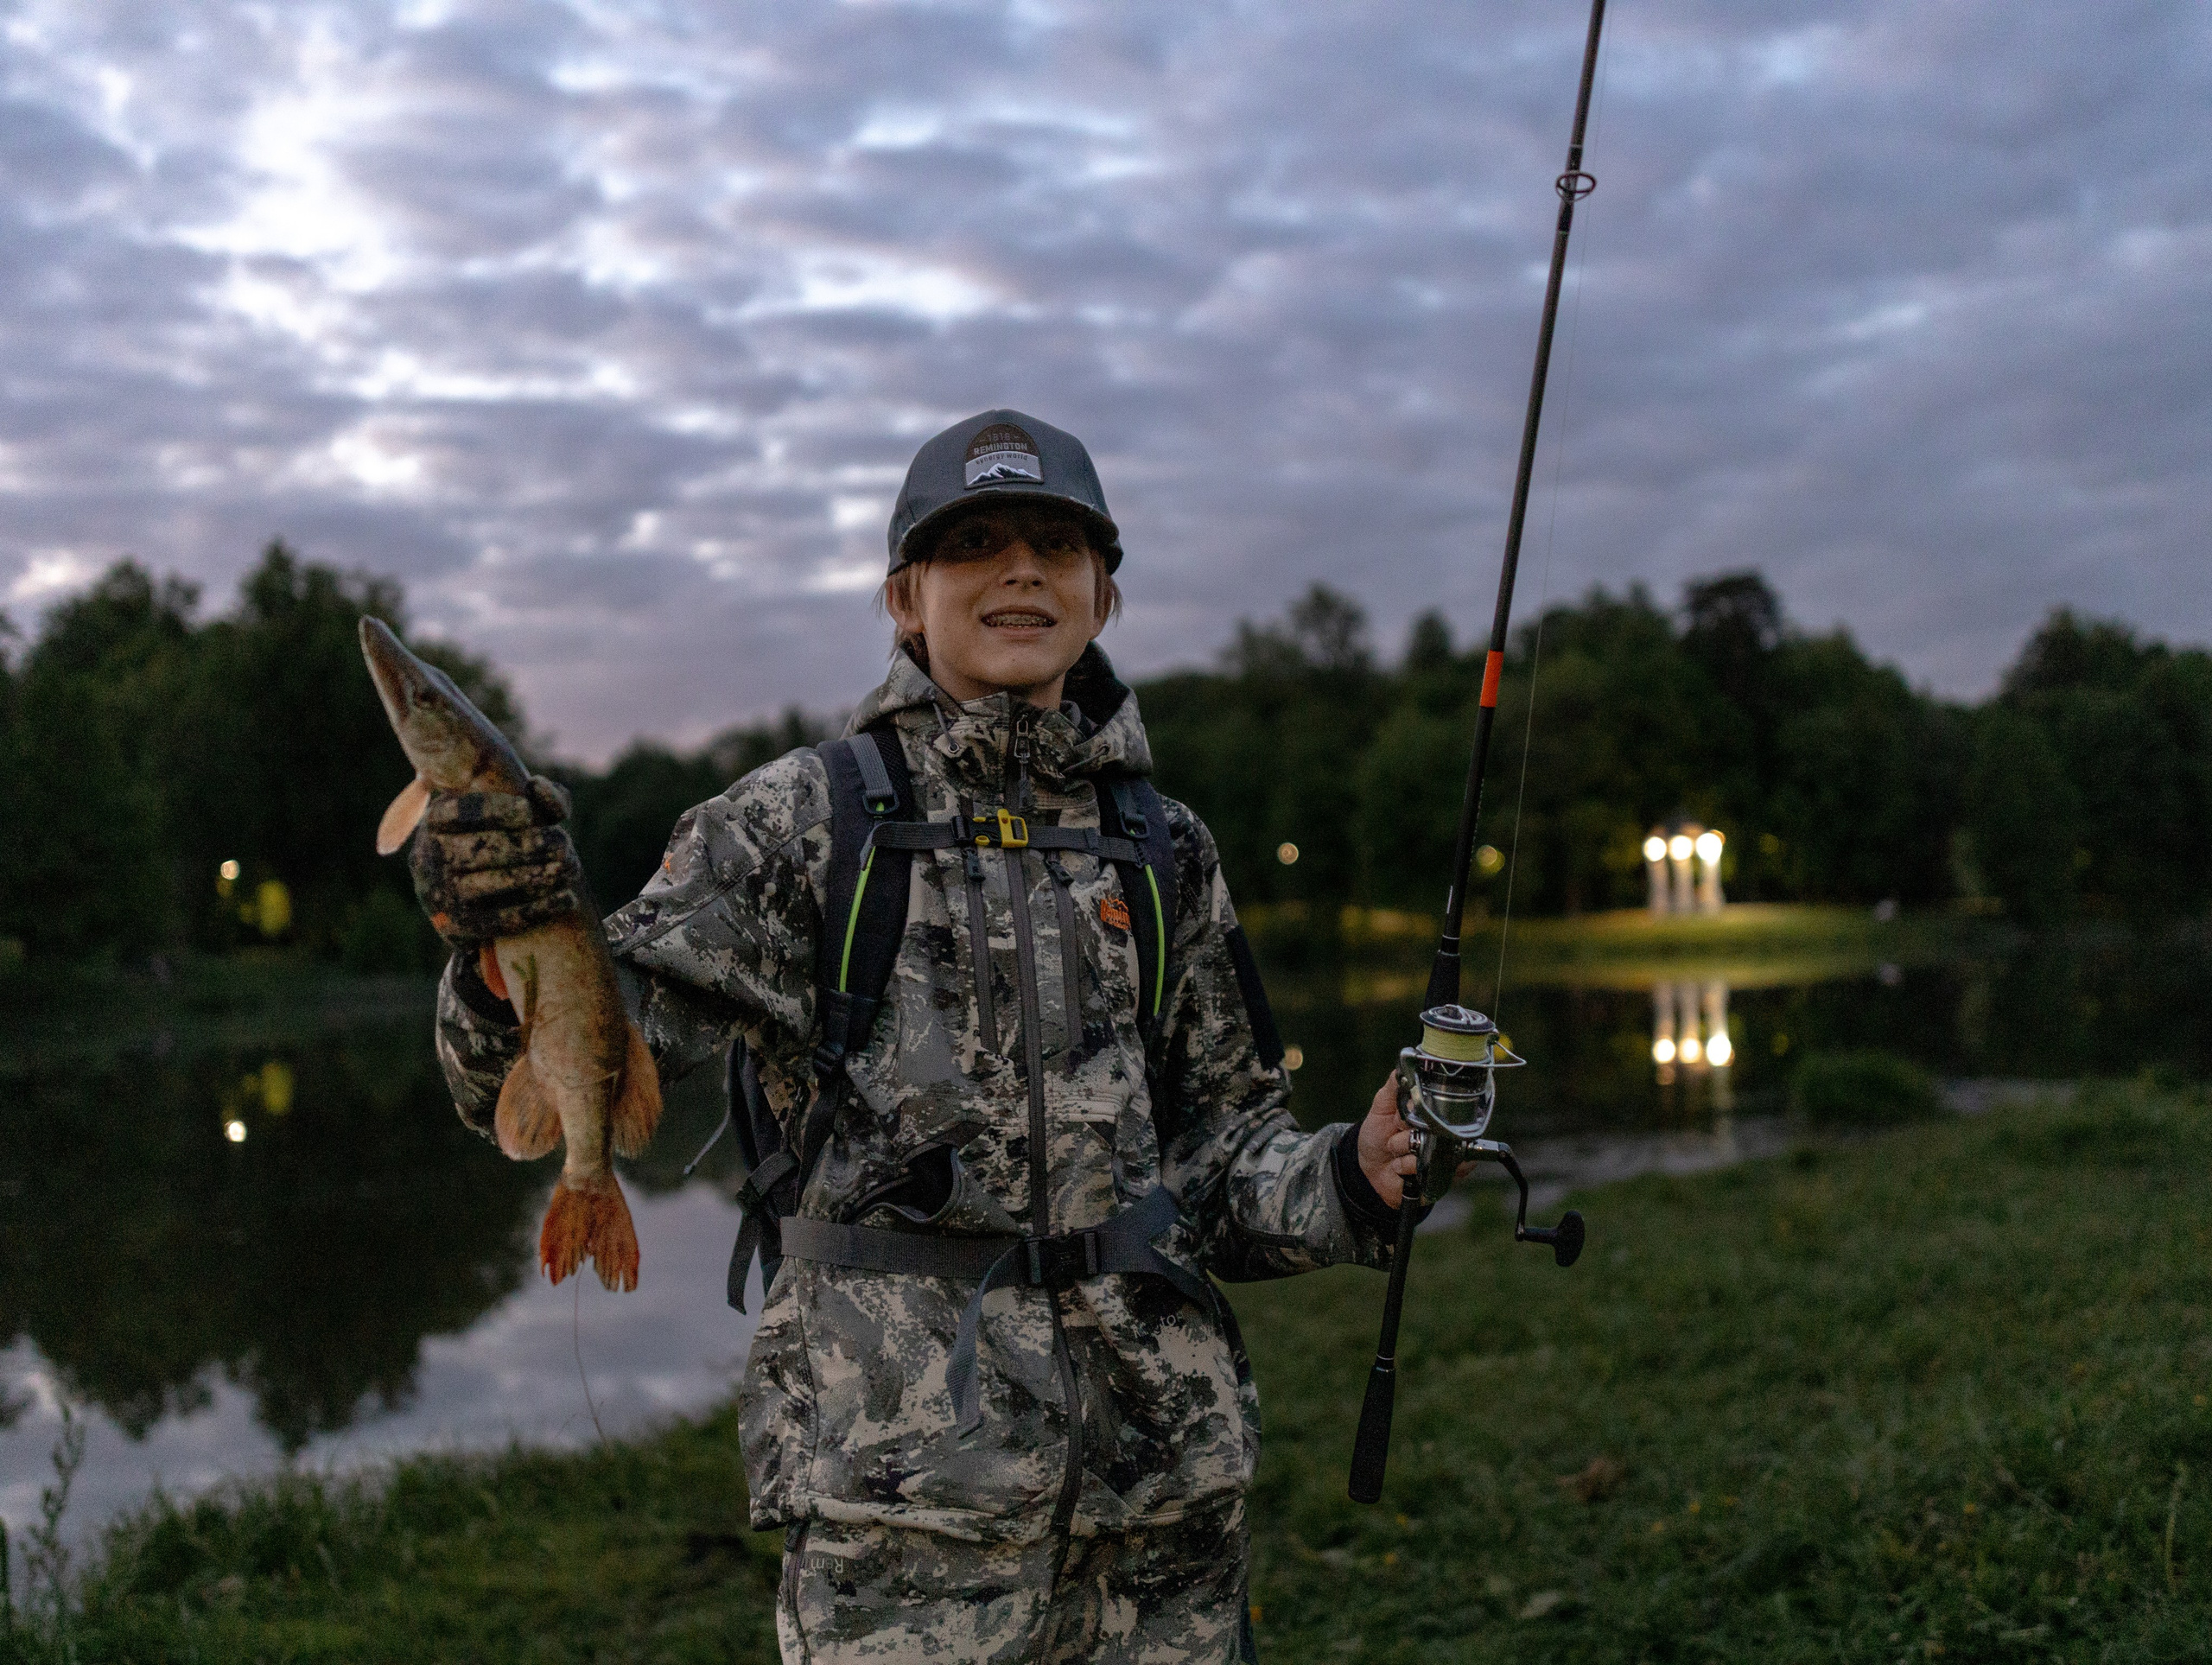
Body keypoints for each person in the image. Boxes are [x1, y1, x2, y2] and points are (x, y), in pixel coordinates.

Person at [414, 409, 1422, 1664]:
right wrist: (489, 953)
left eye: (1058, 543)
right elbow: (579, 1053)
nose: (1020, 570)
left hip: (1161, 1524)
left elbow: (1214, 1158)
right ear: (905, 597)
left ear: (1104, 594)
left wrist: (1348, 1177)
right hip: (902, 1539)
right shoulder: (797, 823)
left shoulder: (1168, 846)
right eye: (974, 544)